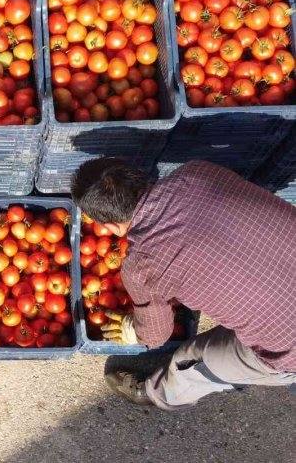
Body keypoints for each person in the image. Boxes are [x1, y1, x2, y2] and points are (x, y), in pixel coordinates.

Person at [71, 157, 296, 410]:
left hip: (291, 348)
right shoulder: (198, 170)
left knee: (193, 362)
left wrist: (133, 330)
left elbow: (157, 335)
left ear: (111, 226)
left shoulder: (142, 265)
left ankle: (159, 394)